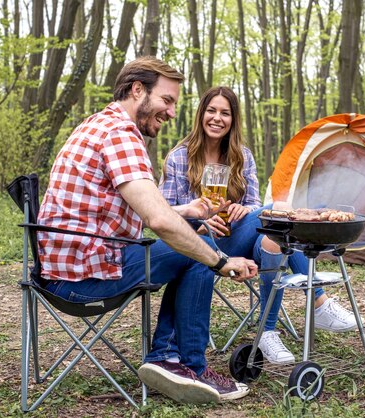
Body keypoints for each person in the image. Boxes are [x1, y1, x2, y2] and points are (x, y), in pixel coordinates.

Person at [36, 57, 258, 405]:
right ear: (138, 90)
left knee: (192, 245)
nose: (171, 113)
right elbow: (158, 221)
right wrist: (221, 261)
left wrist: (187, 210)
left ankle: (169, 358)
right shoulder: (122, 135)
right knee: (197, 252)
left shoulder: (99, 123)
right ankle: (187, 366)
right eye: (166, 101)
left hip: (65, 268)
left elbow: (131, 207)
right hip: (84, 278)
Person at [160, 86, 357, 365]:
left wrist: (245, 208)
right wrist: (201, 223)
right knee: (278, 212)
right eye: (211, 110)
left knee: (273, 238)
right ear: (201, 114)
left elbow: (253, 203)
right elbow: (164, 212)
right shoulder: (179, 157)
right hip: (201, 244)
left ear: (233, 119)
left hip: (242, 238)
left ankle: (267, 333)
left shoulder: (242, 155)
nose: (217, 118)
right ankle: (319, 302)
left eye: (225, 113)